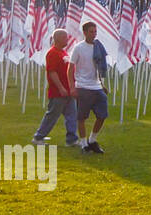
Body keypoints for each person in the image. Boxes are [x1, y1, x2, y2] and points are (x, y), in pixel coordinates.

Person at [31, 29, 79, 146]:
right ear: (57, 39)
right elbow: (52, 72)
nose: (67, 39)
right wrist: (61, 87)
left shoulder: (63, 53)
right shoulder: (52, 53)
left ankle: (71, 139)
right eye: (65, 37)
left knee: (72, 115)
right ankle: (38, 137)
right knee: (52, 115)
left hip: (69, 91)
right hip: (58, 92)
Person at [70, 21, 109, 155]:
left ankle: (92, 140)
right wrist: (72, 87)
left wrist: (102, 84)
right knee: (82, 117)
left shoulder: (98, 47)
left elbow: (99, 68)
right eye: (91, 31)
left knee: (102, 115)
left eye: (95, 32)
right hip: (82, 86)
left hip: (96, 86)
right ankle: (83, 143)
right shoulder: (78, 48)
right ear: (85, 32)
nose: (94, 34)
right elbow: (70, 68)